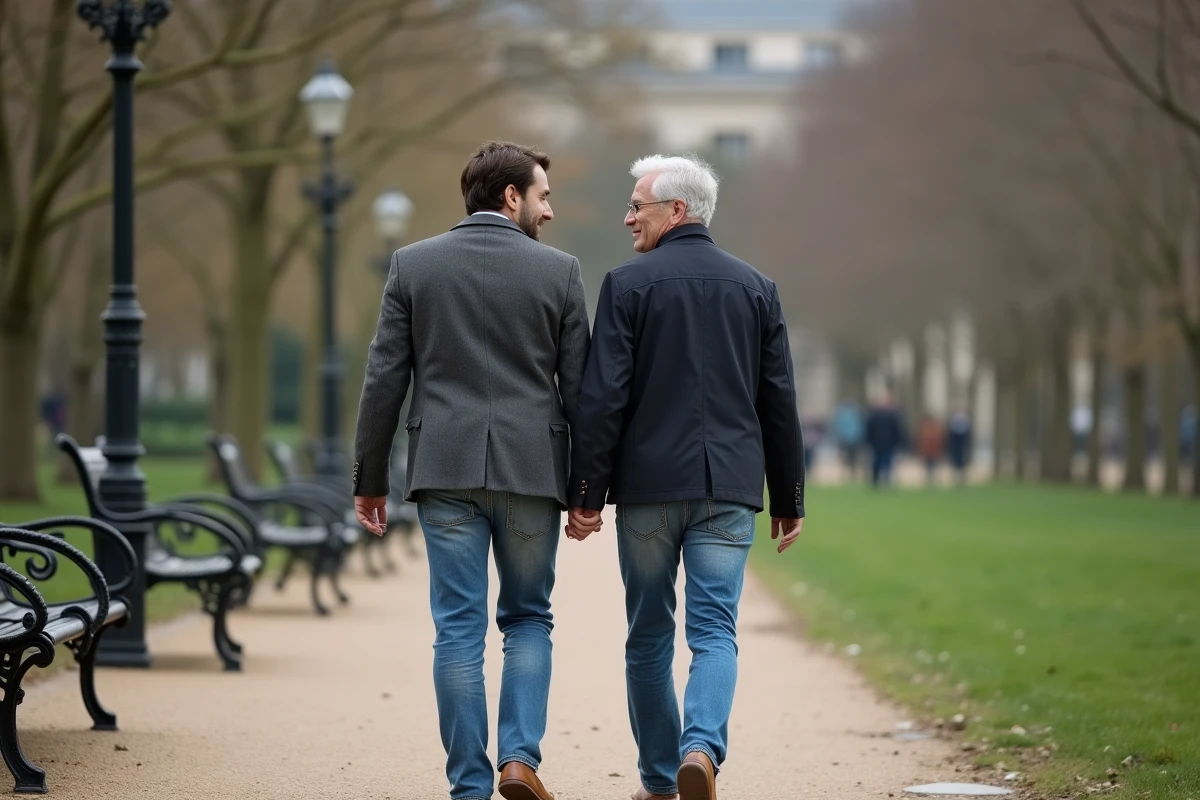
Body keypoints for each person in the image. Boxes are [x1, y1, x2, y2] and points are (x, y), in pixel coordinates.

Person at [352, 141, 592, 800]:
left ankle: (468, 785)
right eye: (542, 195)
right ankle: (520, 760)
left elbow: (383, 379)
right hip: (530, 470)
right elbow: (581, 391)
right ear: (510, 196)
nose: (549, 209)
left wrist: (369, 479)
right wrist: (587, 489)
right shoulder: (562, 273)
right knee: (527, 619)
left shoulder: (412, 265)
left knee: (457, 627)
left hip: (445, 468)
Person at [565, 155, 805, 800]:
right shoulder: (757, 287)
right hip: (728, 488)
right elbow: (777, 399)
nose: (627, 217)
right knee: (715, 630)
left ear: (677, 210)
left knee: (648, 633)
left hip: (648, 491)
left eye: (637, 205)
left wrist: (586, 494)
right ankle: (701, 748)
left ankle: (660, 779)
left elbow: (603, 396)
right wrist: (788, 496)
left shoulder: (626, 284)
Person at [864, 391, 906, 488]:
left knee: (885, 462)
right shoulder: (885, 416)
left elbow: (897, 431)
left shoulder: (887, 416)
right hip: (879, 443)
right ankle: (878, 480)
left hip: (886, 443)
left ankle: (883, 480)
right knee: (880, 462)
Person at [832, 399, 865, 479]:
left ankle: (845, 473)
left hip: (846, 439)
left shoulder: (842, 415)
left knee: (845, 457)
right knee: (853, 458)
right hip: (853, 440)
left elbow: (837, 427)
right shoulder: (857, 415)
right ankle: (851, 474)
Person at [916, 413, 945, 485]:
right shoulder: (924, 429)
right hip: (927, 451)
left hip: (934, 451)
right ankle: (928, 479)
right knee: (927, 466)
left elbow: (940, 441)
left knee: (933, 466)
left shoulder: (936, 430)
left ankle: (932, 479)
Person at [946, 408, 972, 485]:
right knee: (957, 464)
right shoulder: (954, 426)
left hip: (960, 449)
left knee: (960, 464)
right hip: (957, 449)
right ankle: (958, 479)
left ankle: (960, 479)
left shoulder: (961, 426)